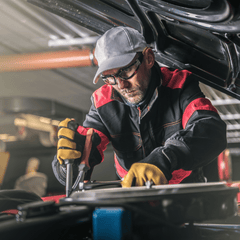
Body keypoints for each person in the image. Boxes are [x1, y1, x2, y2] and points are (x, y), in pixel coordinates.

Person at [52, 26, 227, 188]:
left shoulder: (179, 85)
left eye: (125, 71)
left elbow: (209, 128)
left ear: (149, 58)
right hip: (130, 187)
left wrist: (165, 158)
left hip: (182, 186)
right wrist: (70, 160)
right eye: (109, 77)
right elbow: (84, 158)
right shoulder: (102, 102)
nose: (121, 85)